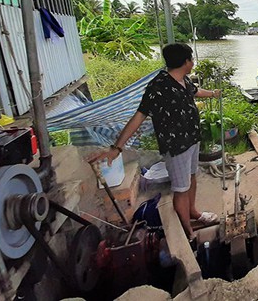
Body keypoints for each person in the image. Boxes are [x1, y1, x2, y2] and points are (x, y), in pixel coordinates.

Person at [89, 43, 221, 241]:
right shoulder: (158, 87)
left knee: (192, 177)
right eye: (191, 59)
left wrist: (212, 94)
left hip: (192, 139)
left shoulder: (183, 79)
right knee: (181, 189)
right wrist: (117, 148)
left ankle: (194, 212)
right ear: (185, 62)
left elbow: (194, 92)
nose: (193, 62)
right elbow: (139, 116)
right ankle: (188, 231)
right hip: (176, 146)